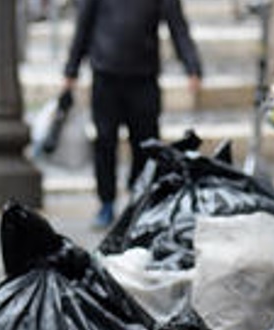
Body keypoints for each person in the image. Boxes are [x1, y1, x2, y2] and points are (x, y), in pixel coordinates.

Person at [62, 0, 203, 229]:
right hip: (105, 74)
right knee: (105, 141)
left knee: (145, 143)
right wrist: (71, 69)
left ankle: (138, 200)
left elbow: (178, 26)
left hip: (144, 78)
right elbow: (84, 25)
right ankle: (106, 201)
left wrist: (192, 67)